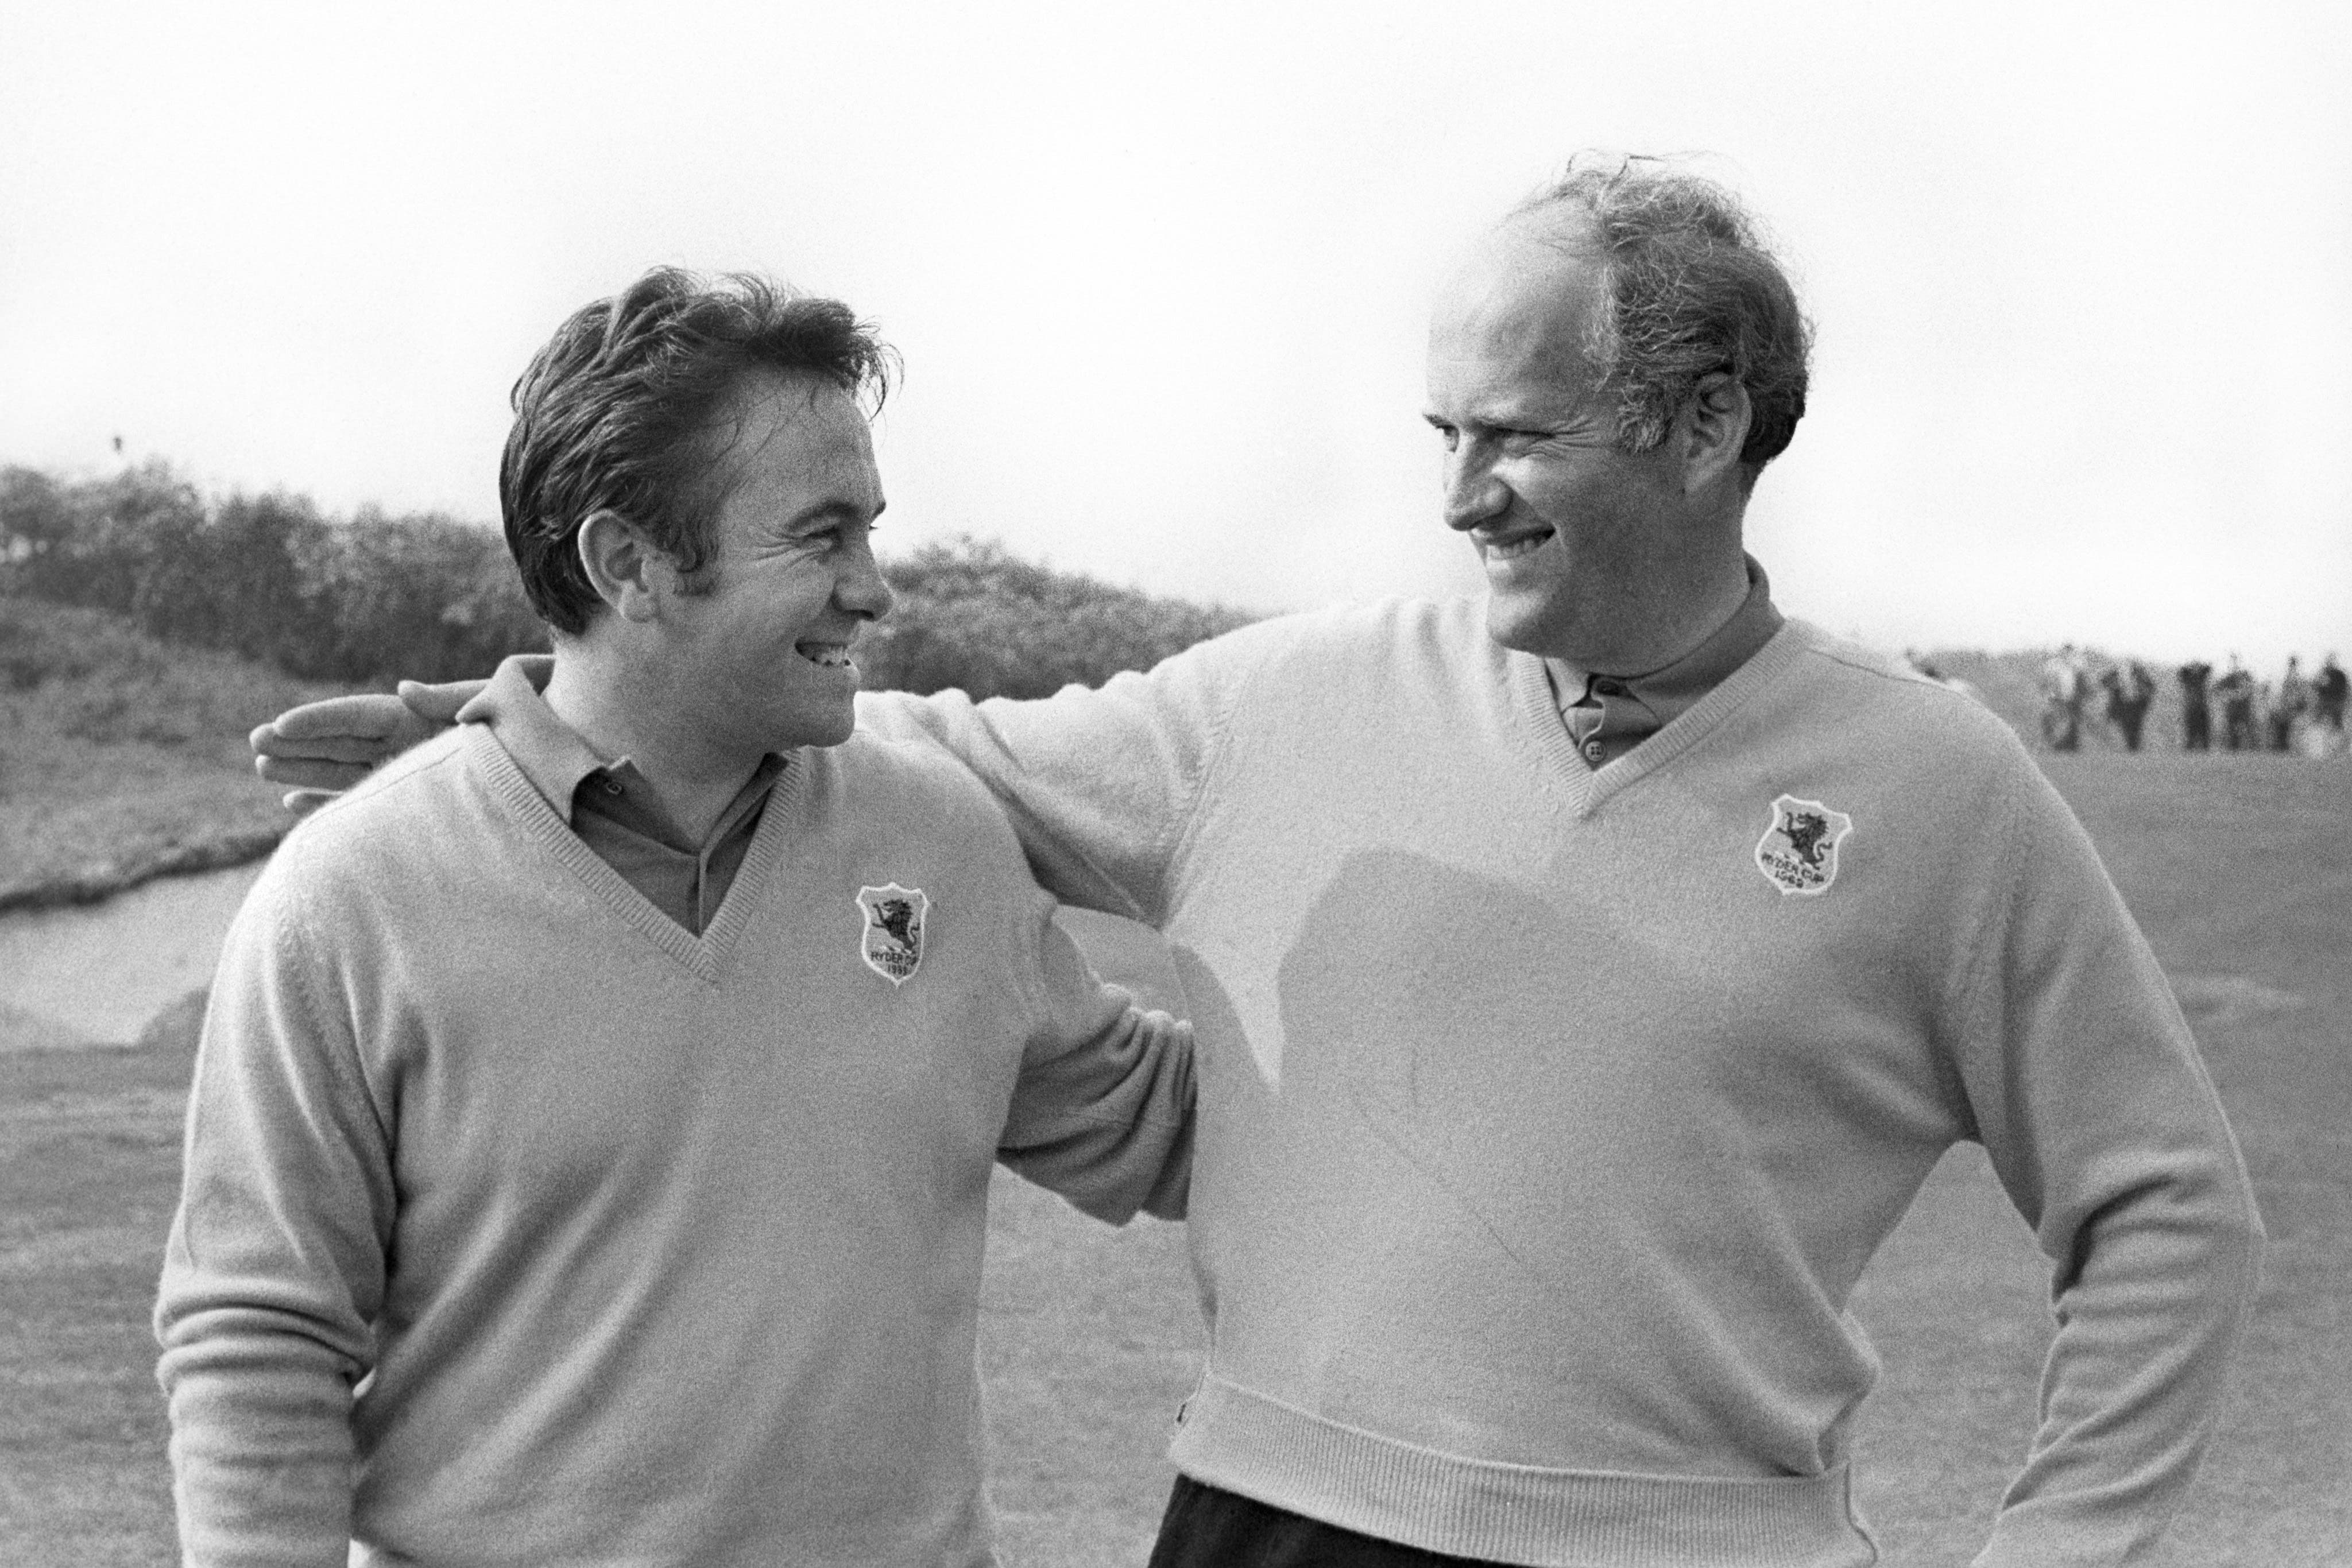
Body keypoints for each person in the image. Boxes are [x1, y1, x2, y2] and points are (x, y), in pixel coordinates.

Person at [256, 157, 2262, 1567]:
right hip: (1261, 1529)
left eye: (1512, 432)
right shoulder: (1282, 703)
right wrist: (493, 721)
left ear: (1703, 424)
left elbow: (2163, 1205)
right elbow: (875, 747)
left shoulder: (1937, 787)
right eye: (1438, 430)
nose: (1456, 490)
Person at [162, 270, 1196, 1567]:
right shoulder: (350, 897)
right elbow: (258, 1337)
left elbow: (1163, 1126)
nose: (873, 590)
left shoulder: (941, 843)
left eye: (870, 531)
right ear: (628, 564)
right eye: (821, 538)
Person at [2099, 659, 2156, 752]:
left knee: (2135, 728)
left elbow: (2151, 687)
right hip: (2123, 706)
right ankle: (2130, 748)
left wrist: (2142, 692)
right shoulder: (2115, 673)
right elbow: (2104, 682)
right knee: (2126, 728)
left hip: (2136, 706)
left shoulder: (2139, 673)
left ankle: (2134, 749)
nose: (2126, 667)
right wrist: (2115, 685)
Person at [2037, 642, 2085, 750]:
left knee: (2073, 724)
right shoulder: (2054, 666)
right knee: (2052, 720)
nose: (2067, 655)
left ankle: (2071, 747)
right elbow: (2046, 682)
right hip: (2057, 700)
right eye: (2066, 652)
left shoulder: (2077, 666)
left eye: (2070, 653)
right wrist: (2050, 695)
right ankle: (2053, 744)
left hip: (2073, 700)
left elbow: (2081, 683)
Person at [2215, 656, 2257, 751]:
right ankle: (2233, 748)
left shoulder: (2245, 676)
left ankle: (2252, 749)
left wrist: (2233, 694)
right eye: (2232, 663)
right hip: (2232, 709)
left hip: (2244, 709)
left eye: (2235, 662)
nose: (2234, 665)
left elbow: (2248, 690)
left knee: (2248, 728)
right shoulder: (2227, 679)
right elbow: (2218, 690)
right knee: (2232, 730)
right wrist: (2229, 695)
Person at [2177, 657, 2213, 750]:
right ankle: (2191, 747)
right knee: (2191, 731)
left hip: (2201, 708)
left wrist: (2196, 668)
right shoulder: (2188, 679)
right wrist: (2192, 668)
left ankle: (2204, 748)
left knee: (2204, 732)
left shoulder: (2201, 678)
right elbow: (2182, 672)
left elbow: (2208, 669)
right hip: (2192, 708)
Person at [2315, 651, 2349, 732]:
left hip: (2336, 703)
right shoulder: (2324, 674)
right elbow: (2319, 689)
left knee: (2337, 724)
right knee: (2321, 723)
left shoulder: (2339, 675)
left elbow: (2344, 688)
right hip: (2326, 703)